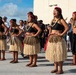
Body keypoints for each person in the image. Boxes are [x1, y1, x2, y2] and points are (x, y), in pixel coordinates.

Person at [45, 7, 69, 74]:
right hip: (52, 38)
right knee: (54, 54)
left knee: (59, 54)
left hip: (58, 39)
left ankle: (60, 69)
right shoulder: (52, 20)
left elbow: (67, 27)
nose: (54, 12)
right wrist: (49, 32)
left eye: (56, 11)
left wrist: (61, 34)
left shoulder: (61, 20)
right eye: (53, 11)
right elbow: (51, 30)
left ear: (59, 12)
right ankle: (55, 68)